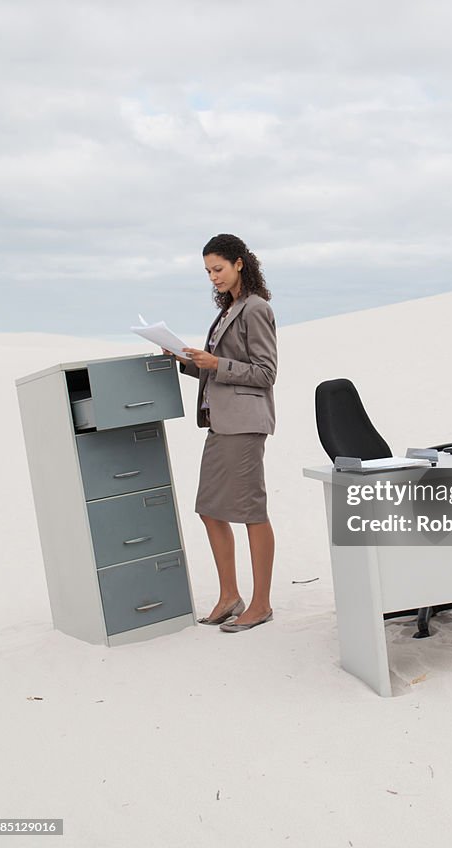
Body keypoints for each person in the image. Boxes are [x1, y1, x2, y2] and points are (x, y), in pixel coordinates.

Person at [174, 234, 277, 632]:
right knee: (210, 509)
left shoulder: (256, 309)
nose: (213, 277)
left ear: (238, 263)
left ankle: (262, 603)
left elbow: (266, 373)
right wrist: (185, 360)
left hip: (245, 423)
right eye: (207, 272)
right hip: (221, 423)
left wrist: (216, 363)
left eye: (217, 269)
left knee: (251, 512)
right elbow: (218, 368)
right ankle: (230, 595)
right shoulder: (229, 310)